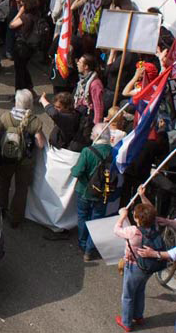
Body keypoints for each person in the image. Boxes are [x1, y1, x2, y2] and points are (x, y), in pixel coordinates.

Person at [0, 89, 47, 228]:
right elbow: (41, 144)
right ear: (30, 104)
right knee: (21, 189)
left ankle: (1, 209)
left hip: (7, 157)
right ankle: (15, 218)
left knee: (3, 183)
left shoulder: (6, 117)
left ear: (16, 102)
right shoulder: (34, 121)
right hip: (25, 161)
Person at [114, 189, 158, 332]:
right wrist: (142, 195)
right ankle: (138, 316)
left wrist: (122, 216)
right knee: (140, 290)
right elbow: (151, 210)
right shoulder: (154, 225)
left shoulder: (133, 231)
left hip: (134, 267)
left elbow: (116, 230)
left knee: (128, 295)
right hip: (148, 266)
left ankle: (126, 322)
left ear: (137, 219)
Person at [71, 124, 115, 261]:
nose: (90, 134)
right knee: (96, 221)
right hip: (103, 193)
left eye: (92, 132)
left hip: (84, 191)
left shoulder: (87, 151)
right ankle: (89, 250)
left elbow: (77, 172)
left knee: (82, 217)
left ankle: (83, 244)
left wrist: (72, 169)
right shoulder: (114, 152)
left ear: (97, 136)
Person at [10, 0, 38, 93]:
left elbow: (12, 25)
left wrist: (20, 12)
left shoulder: (25, 17)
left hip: (22, 47)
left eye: (22, 5)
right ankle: (29, 87)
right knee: (23, 68)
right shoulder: (35, 15)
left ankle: (20, 92)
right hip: (30, 46)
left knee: (19, 71)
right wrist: (19, 4)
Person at [74, 53, 105, 124]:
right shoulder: (83, 81)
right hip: (81, 113)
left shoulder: (95, 84)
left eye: (80, 62)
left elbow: (98, 105)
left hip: (89, 117)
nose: (77, 63)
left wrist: (96, 124)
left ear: (86, 67)